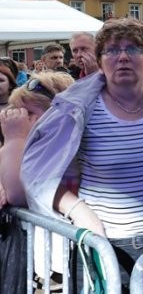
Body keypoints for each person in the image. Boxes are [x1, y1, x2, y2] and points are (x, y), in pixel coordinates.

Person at [20, 18, 143, 294]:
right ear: (100, 62)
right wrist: (79, 211)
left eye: (133, 48)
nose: (122, 56)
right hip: (98, 247)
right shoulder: (77, 110)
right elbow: (37, 174)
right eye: (112, 50)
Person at [0, 72, 75, 293]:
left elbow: (17, 194)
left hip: (63, 262)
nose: (22, 118)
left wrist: (15, 138)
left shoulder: (63, 150)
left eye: (30, 112)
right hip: (40, 258)